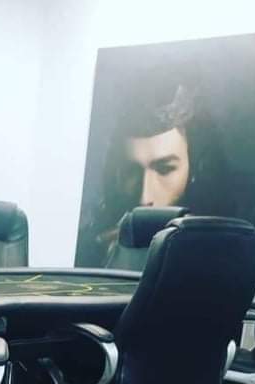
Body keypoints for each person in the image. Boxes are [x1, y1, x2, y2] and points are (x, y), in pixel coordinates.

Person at [76, 71, 246, 267]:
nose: (144, 198)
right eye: (131, 172)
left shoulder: (225, 251)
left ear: (197, 168)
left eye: (165, 169)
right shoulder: (92, 242)